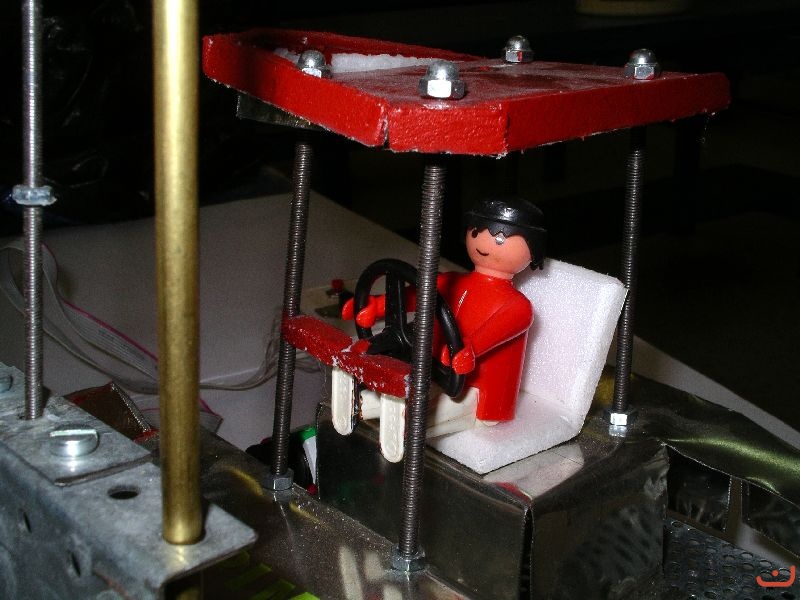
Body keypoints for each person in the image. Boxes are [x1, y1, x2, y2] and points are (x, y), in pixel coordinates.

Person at [343, 197, 547, 424]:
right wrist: (378, 305)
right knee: (399, 389)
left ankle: (370, 409)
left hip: (480, 391)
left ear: (533, 251)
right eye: (476, 232)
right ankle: (359, 405)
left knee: (415, 411)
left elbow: (496, 331)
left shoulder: (518, 306)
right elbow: (420, 295)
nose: (483, 244)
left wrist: (469, 349)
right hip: (435, 369)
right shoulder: (454, 281)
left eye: (500, 239)